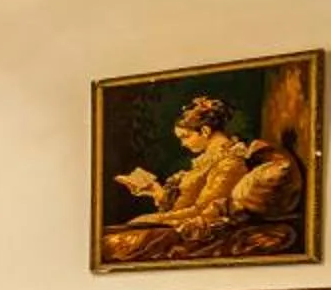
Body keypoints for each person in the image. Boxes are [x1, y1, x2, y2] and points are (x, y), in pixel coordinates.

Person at [105, 94, 310, 264]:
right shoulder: (208, 160)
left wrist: (151, 219)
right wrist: (155, 190)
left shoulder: (230, 163)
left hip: (195, 230)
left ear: (204, 131)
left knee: (114, 244)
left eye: (185, 137)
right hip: (176, 223)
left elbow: (205, 211)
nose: (183, 145)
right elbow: (186, 201)